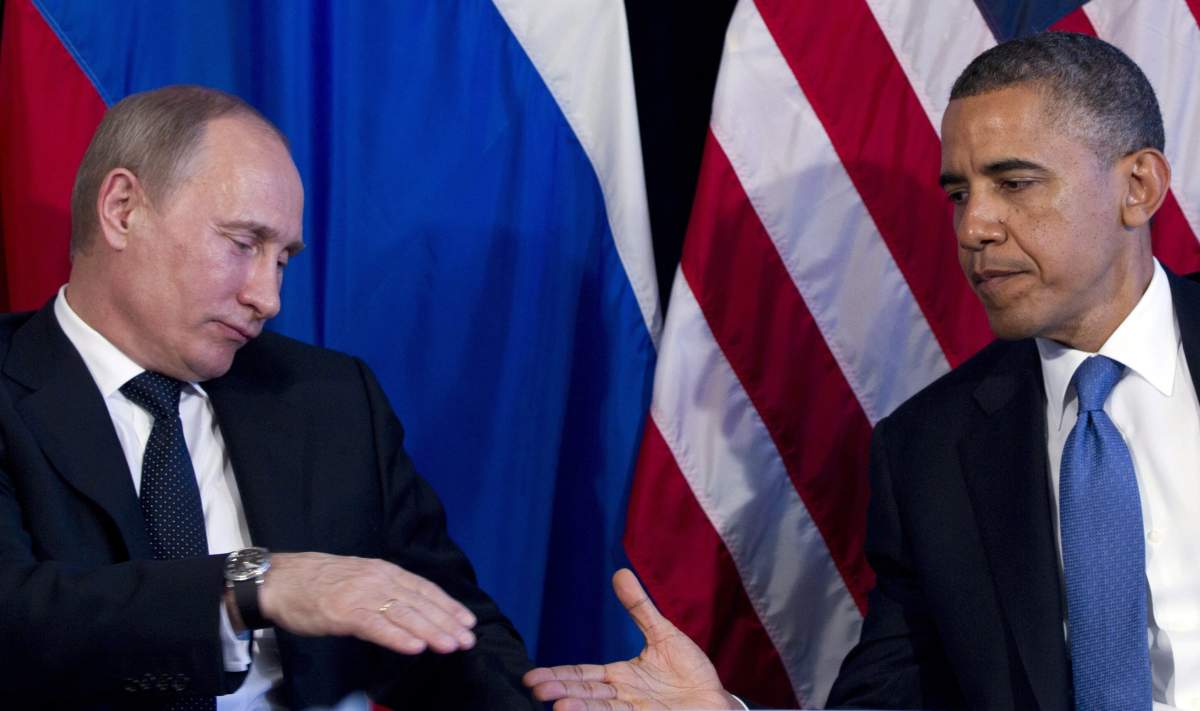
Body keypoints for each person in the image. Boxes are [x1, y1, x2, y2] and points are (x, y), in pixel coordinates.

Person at [525, 31, 1199, 710]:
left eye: (1015, 182)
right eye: (959, 193)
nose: (975, 227)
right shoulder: (928, 451)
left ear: (1137, 187)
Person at [0, 85, 538, 709]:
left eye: (283, 260)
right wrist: (252, 585)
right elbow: (17, 619)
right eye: (243, 244)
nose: (268, 297)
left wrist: (565, 701)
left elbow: (444, 628)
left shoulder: (331, 401)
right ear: (122, 209)